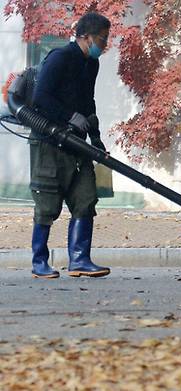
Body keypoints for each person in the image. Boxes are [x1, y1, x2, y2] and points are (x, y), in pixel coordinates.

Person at [29, 12, 111, 278]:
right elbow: (41, 97)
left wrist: (96, 136)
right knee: (47, 204)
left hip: (78, 144)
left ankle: (80, 260)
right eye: (101, 39)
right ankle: (39, 262)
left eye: (106, 40)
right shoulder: (60, 58)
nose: (104, 45)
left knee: (85, 198)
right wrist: (67, 116)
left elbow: (89, 102)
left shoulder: (92, 65)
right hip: (49, 143)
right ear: (85, 37)